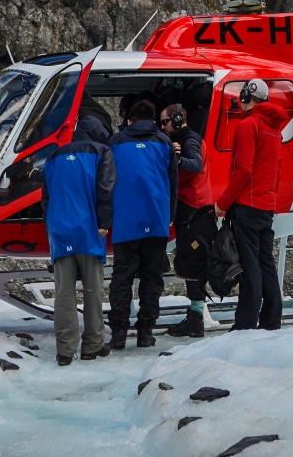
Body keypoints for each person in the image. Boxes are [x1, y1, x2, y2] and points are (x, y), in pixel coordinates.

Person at [41, 105, 114, 365]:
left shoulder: (52, 157)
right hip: (90, 229)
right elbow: (105, 189)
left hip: (60, 232)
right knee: (93, 290)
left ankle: (64, 351)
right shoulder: (102, 152)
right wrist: (105, 221)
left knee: (63, 293)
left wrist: (52, 229)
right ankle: (92, 346)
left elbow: (46, 200)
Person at [106, 95, 177, 350]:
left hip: (125, 222)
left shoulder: (116, 141)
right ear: (153, 120)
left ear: (129, 119)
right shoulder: (164, 142)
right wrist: (170, 217)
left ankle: (118, 334)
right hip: (156, 221)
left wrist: (107, 214)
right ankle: (146, 331)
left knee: (122, 278)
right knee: (152, 278)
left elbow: (106, 180)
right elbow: (172, 182)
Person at [217, 78, 288, 331]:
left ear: (246, 97)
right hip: (266, 205)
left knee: (249, 265)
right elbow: (276, 171)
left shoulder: (248, 126)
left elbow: (243, 169)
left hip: (247, 206)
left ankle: (245, 324)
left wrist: (223, 203)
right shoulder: (274, 129)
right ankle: (271, 320)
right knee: (265, 262)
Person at [162, 101, 215, 338]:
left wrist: (179, 160)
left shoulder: (189, 140)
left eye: (164, 122)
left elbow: (195, 164)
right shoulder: (187, 138)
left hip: (194, 211)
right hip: (195, 211)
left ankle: (196, 321)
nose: (162, 127)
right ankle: (195, 318)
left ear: (176, 120)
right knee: (191, 264)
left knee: (192, 266)